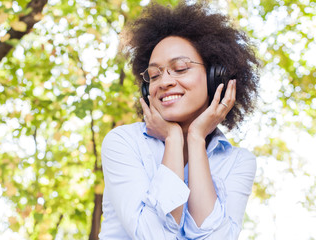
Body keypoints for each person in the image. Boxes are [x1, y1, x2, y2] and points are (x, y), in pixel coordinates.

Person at [99, 1, 260, 239]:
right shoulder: (123, 143)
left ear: (215, 77)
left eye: (181, 68)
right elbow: (154, 236)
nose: (164, 82)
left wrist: (195, 138)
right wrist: (173, 139)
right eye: (154, 75)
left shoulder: (238, 162)